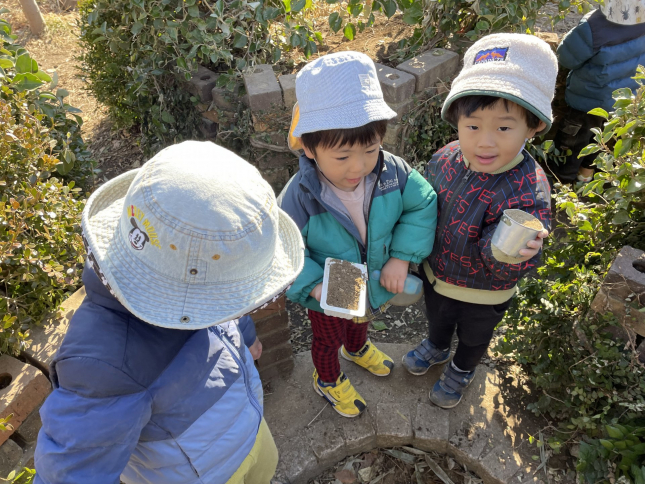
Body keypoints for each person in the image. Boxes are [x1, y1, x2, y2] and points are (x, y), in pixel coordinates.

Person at [33, 141, 304, 484]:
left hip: (249, 432)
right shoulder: (107, 368)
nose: (240, 306)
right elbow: (70, 470)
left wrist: (246, 336)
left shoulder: (204, 273)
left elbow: (231, 305)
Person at [278, 51, 438, 418]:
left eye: (370, 149)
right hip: (330, 286)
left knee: (362, 317)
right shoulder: (300, 196)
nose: (359, 166)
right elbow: (282, 249)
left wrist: (401, 257)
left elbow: (422, 203)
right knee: (327, 337)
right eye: (342, 156)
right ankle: (328, 378)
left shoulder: (393, 173)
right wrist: (315, 286)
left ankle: (357, 349)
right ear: (308, 147)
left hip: (373, 275)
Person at [402, 34, 554, 408]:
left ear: (532, 126)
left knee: (474, 335)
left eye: (504, 128)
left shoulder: (527, 188)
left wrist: (516, 249)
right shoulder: (445, 159)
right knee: (437, 318)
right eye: (472, 126)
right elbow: (423, 204)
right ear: (457, 122)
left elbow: (509, 247)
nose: (485, 142)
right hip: (437, 272)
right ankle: (437, 347)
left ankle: (462, 368)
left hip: (485, 290)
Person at [551, 0, 645, 183]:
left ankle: (561, 180)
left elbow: (567, 57)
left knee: (571, 143)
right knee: (600, 141)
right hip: (622, 101)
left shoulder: (594, 27)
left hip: (587, 99)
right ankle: (585, 177)